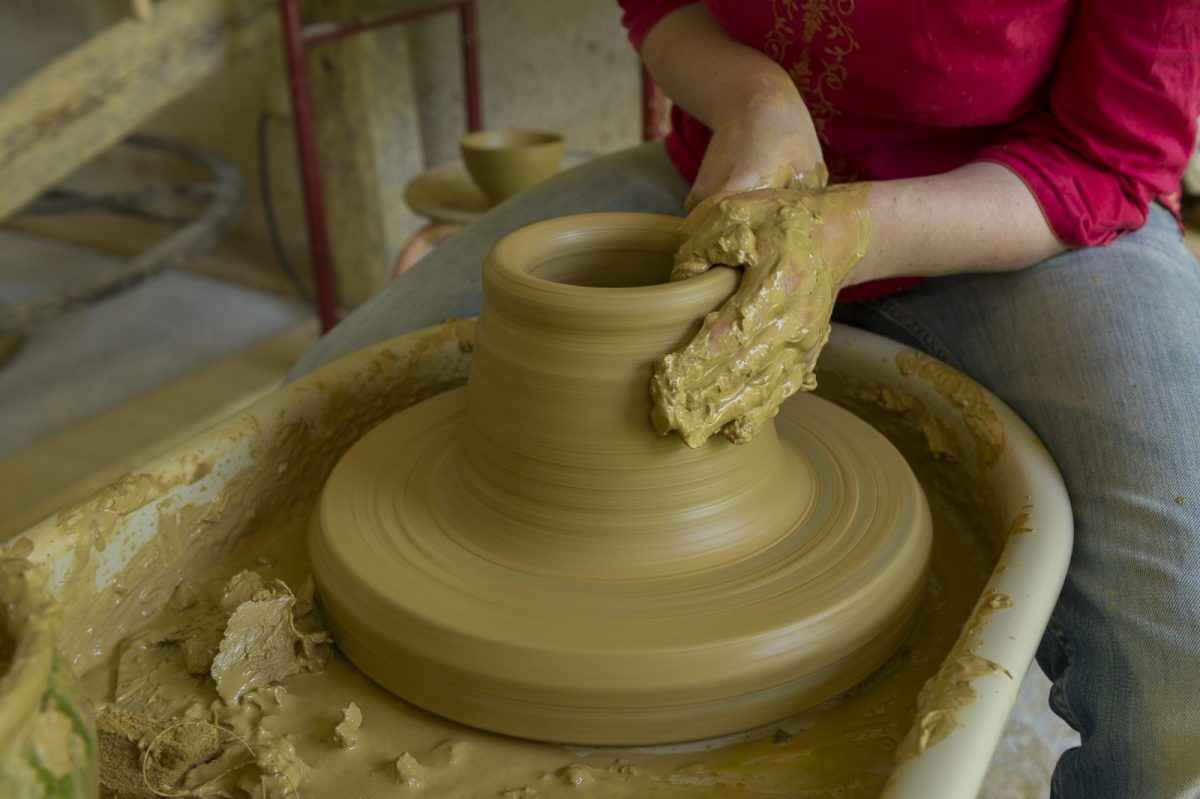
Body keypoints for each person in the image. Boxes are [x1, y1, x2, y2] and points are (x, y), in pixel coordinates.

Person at [290, 2, 1200, 796]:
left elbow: (1112, 157)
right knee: (302, 434)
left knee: (1178, 663)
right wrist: (754, 96)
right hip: (731, 174)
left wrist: (850, 231)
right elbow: (658, 2)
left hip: (1018, 207)